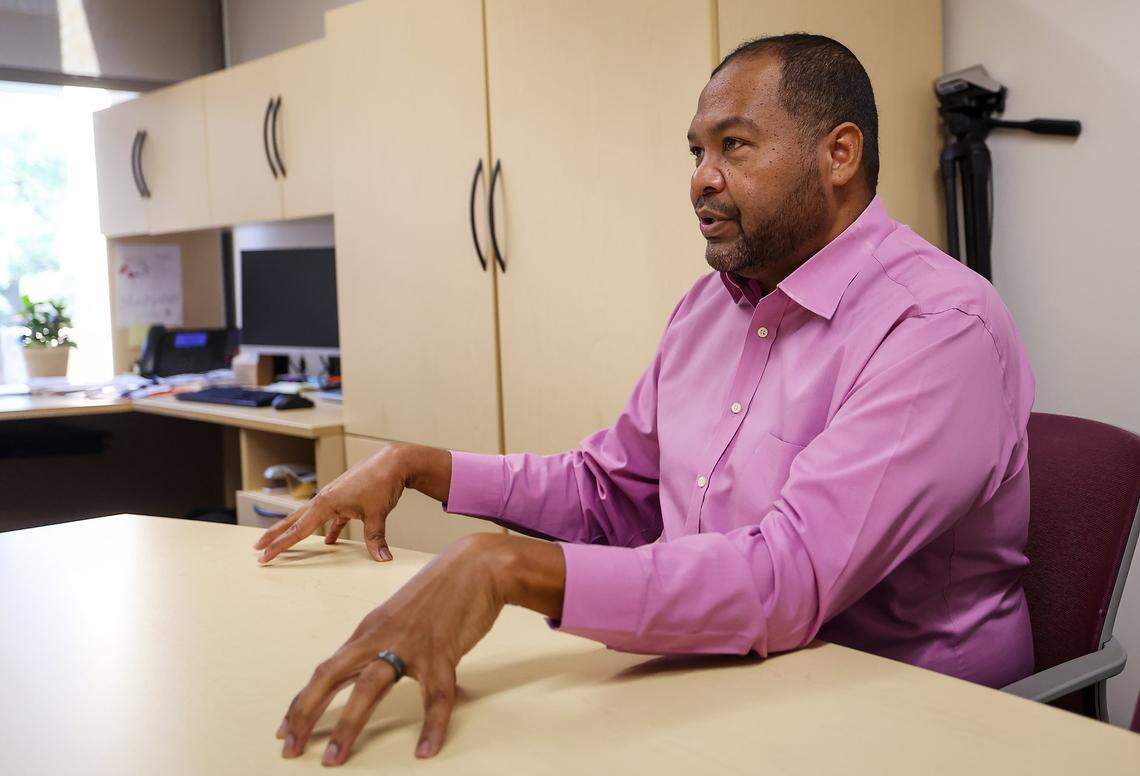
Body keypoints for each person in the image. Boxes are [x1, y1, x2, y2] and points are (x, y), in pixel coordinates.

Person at [255, 34, 1036, 765]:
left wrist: (508, 567)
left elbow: (788, 577)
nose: (700, 176)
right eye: (696, 151)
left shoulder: (939, 329)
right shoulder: (710, 307)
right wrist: (422, 466)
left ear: (838, 154)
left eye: (733, 144)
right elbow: (610, 490)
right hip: (726, 677)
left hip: (910, 720)